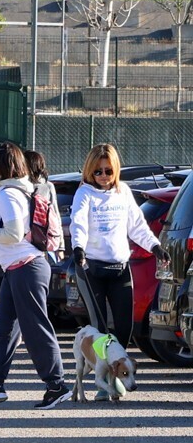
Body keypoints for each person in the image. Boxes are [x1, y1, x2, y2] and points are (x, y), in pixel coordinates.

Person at [0, 142, 72, 410]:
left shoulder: (7, 194)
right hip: (21, 268)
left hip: (26, 267)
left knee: (35, 328)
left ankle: (57, 385)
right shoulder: (24, 190)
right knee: (4, 329)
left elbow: (13, 234)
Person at [70, 143, 168, 390]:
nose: (103, 177)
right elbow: (78, 223)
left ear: (115, 171)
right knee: (101, 331)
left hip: (119, 267)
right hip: (91, 268)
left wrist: (156, 247)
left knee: (124, 328)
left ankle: (114, 376)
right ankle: (102, 383)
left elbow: (137, 226)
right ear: (89, 172)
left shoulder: (123, 192)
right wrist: (78, 248)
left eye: (108, 171)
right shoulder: (84, 194)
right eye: (98, 172)